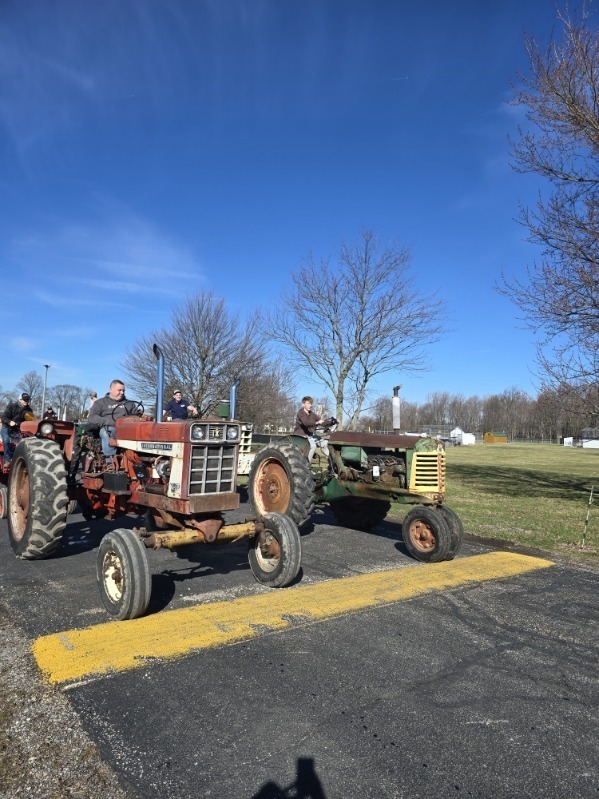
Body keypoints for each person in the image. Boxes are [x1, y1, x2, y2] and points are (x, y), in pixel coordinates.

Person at [87, 380, 139, 456]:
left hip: (127, 429)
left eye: (123, 390)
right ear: (111, 389)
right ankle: (110, 461)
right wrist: (109, 422)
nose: (122, 393)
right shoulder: (101, 403)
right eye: (119, 390)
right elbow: (92, 417)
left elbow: (136, 416)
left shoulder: (130, 404)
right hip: (109, 427)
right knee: (107, 433)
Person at [294, 396, 330, 462]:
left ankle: (331, 466)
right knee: (313, 446)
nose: (310, 405)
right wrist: (317, 422)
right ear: (303, 404)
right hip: (300, 435)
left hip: (309, 434)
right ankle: (307, 465)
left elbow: (321, 421)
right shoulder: (300, 413)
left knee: (325, 443)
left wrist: (332, 421)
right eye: (308, 403)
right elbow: (306, 423)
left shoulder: (312, 414)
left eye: (311, 403)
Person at [1, 393, 33, 465]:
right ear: (20, 400)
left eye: (27, 400)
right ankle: (7, 460)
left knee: (25, 441)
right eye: (24, 400)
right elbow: (4, 417)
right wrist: (9, 422)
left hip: (18, 428)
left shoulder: (29, 410)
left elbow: (29, 421)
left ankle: (23, 460)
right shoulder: (12, 406)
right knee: (6, 440)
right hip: (7, 427)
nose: (26, 402)